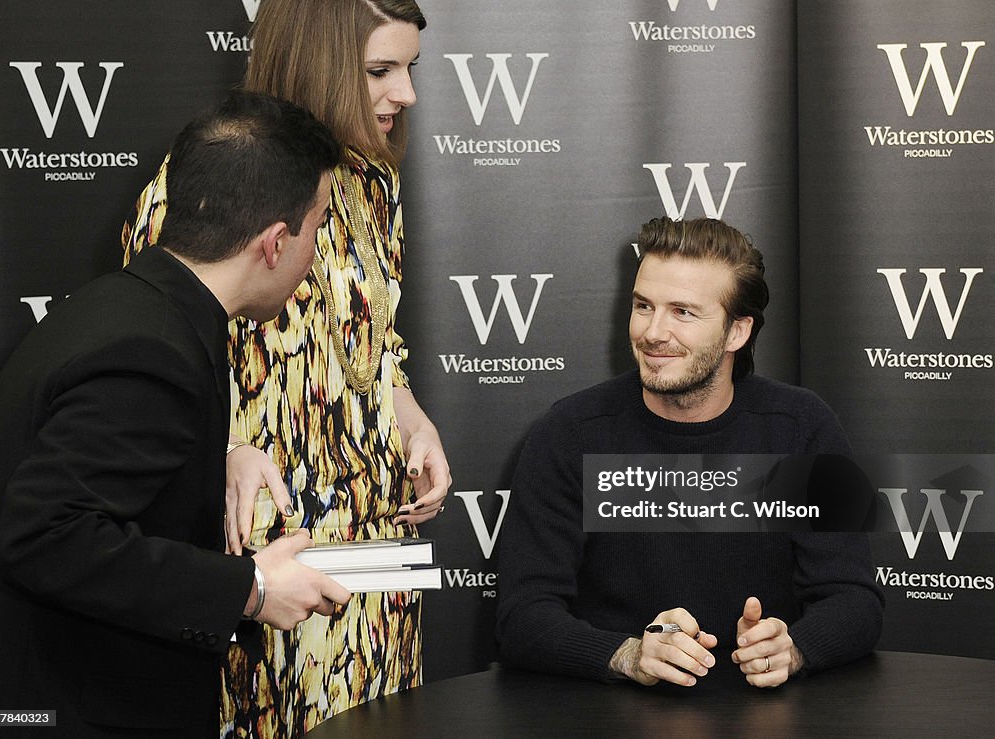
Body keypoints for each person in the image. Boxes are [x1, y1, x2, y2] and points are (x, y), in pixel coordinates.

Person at [0, 90, 350, 737]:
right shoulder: (153, 347)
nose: (314, 254)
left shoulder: (133, 310)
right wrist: (251, 589)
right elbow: (45, 535)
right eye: (316, 228)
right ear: (275, 242)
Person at [122, 0, 450, 733]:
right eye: (380, 70)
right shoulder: (208, 180)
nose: (407, 94)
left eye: (409, 68)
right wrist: (230, 447)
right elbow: (153, 349)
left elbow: (375, 341)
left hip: (374, 542)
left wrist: (410, 415)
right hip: (271, 551)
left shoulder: (372, 183)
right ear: (318, 60)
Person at [496, 216, 883, 690]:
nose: (653, 332)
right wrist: (629, 655)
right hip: (611, 719)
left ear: (737, 333)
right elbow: (523, 615)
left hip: (767, 717)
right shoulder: (572, 433)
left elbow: (854, 600)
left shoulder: (799, 428)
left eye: (683, 312)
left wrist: (794, 648)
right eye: (643, 306)